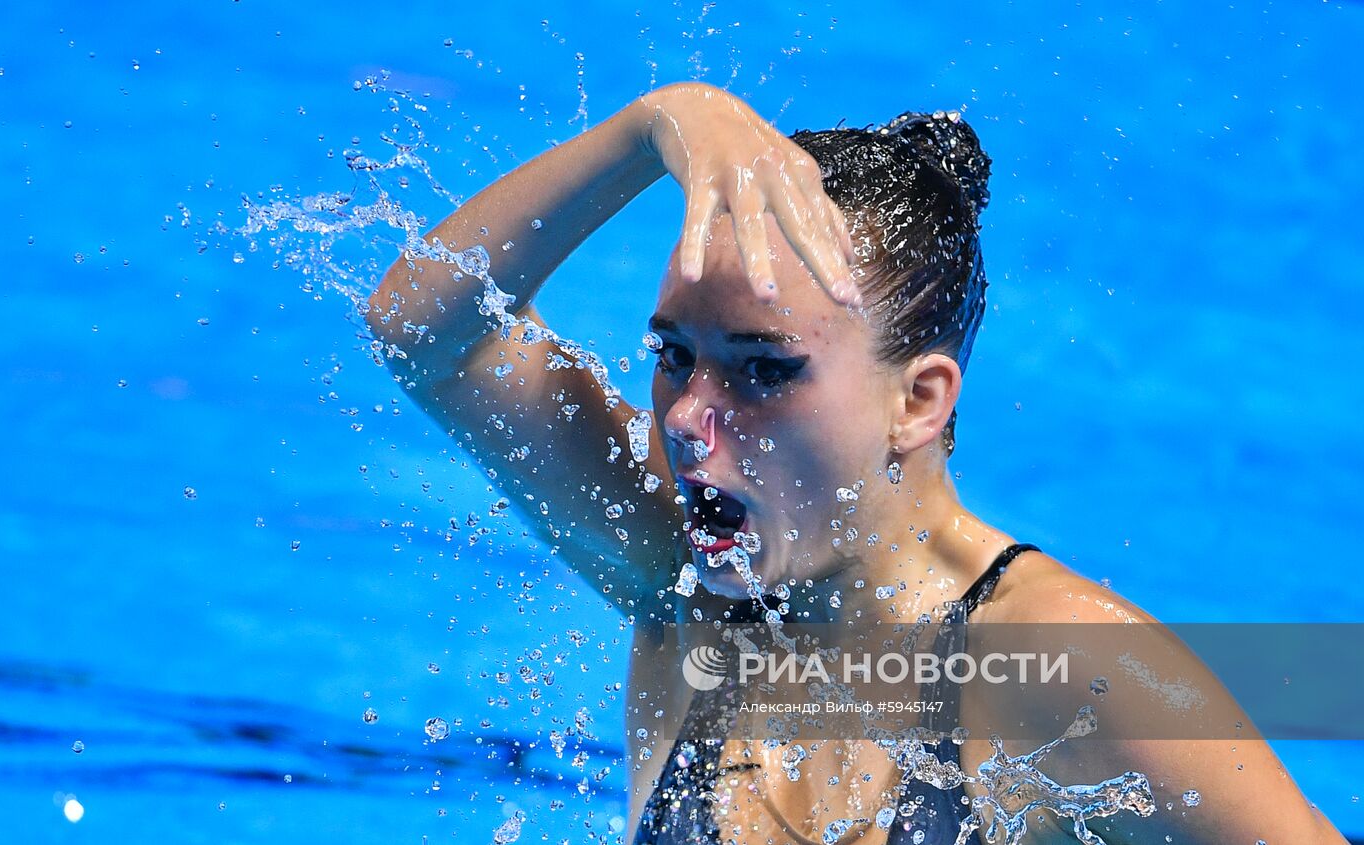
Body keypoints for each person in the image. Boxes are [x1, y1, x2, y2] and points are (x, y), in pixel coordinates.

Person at [366, 82, 1346, 844]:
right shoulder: (682, 573)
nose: (688, 418)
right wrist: (657, 124)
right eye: (674, 355)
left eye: (763, 369)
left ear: (916, 401)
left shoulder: (1069, 668)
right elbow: (424, 327)